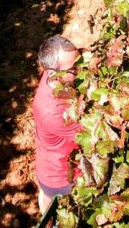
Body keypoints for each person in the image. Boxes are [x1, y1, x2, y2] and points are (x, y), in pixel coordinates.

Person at [33, 35, 83, 214]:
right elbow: (89, 133)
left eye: (80, 61)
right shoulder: (52, 112)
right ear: (54, 73)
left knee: (47, 198)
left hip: (48, 161)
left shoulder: (54, 75)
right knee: (67, 212)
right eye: (74, 68)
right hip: (61, 176)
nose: (80, 69)